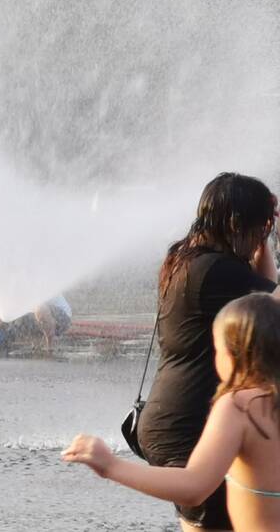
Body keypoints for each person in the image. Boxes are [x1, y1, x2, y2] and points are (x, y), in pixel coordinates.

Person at [63, 293, 280, 532]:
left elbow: (194, 487)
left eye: (217, 350)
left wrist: (111, 466)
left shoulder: (239, 406)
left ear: (234, 353)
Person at [137, 172, 279, 531]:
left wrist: (263, 240)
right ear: (235, 223)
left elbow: (265, 300)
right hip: (189, 423)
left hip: (171, 417)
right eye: (259, 229)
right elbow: (273, 307)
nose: (261, 237)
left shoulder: (188, 258)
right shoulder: (216, 271)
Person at [0, 294, 72, 357]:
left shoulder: (38, 283)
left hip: (61, 318)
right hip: (34, 316)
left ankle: (50, 346)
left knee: (40, 309)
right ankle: (0, 343)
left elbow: (36, 307)